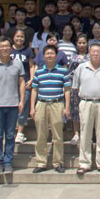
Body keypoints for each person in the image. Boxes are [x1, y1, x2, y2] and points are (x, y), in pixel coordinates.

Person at [0, 36, 25, 176]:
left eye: (7, 46)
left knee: (10, 135)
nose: (4, 49)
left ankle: (8, 162)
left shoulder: (18, 64)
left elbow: (21, 83)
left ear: (11, 48)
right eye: (2, 46)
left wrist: (21, 101)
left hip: (13, 104)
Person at [30, 45, 71, 174]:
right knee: (41, 135)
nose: (49, 55)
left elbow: (67, 90)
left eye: (52, 53)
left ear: (56, 55)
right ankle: (41, 162)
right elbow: (34, 89)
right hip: (41, 104)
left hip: (57, 104)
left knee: (57, 135)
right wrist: (32, 107)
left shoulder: (63, 71)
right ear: (43, 56)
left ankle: (58, 162)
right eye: (47, 53)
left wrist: (67, 107)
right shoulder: (39, 71)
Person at [73, 42, 100, 174]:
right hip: (86, 103)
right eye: (93, 51)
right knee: (85, 134)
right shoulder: (81, 67)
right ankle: (84, 163)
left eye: (98, 51)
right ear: (89, 53)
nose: (95, 54)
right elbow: (75, 87)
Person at [11, 29, 34, 145]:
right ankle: (11, 131)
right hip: (10, 83)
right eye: (17, 36)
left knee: (23, 107)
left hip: (24, 83)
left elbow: (31, 66)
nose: (19, 38)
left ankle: (20, 132)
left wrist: (31, 79)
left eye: (22, 37)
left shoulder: (28, 51)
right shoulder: (9, 49)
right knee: (11, 107)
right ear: (13, 37)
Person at [67, 34, 89, 146]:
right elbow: (69, 72)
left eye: (84, 43)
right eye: (80, 43)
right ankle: (76, 133)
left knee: (87, 111)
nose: (82, 45)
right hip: (75, 87)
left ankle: (87, 134)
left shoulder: (90, 56)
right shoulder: (73, 56)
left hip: (88, 87)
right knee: (75, 110)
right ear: (76, 44)